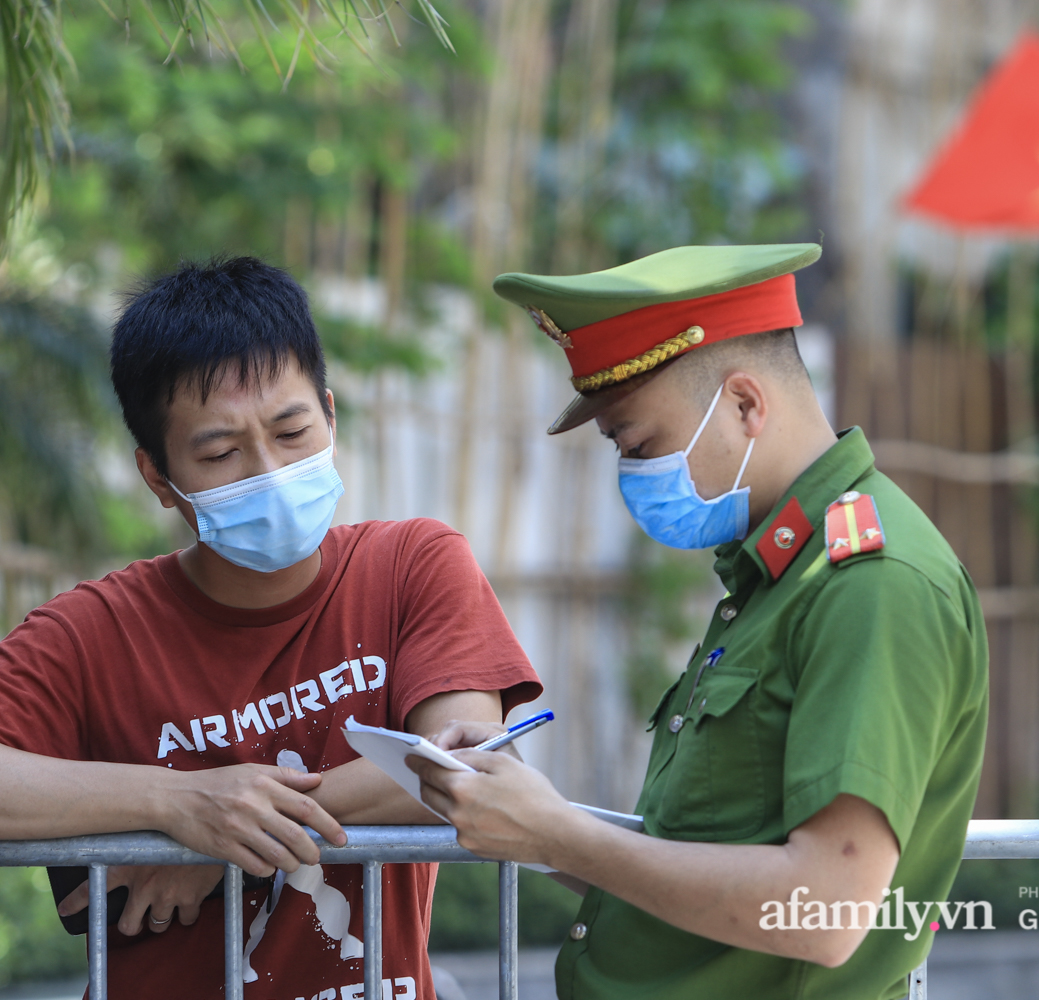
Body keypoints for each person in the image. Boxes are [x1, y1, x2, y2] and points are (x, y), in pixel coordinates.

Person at [0, 256, 542, 1000]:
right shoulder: (94, 632)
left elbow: (462, 768)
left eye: (291, 431)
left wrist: (218, 841)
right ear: (158, 477)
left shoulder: (412, 565)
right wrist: (176, 807)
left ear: (330, 413)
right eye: (221, 453)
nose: (269, 469)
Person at [409, 244, 988, 1000]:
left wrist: (557, 833)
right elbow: (704, 858)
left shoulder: (870, 584)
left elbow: (826, 909)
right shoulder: (776, 577)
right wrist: (525, 810)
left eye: (639, 445)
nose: (631, 475)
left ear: (746, 405)